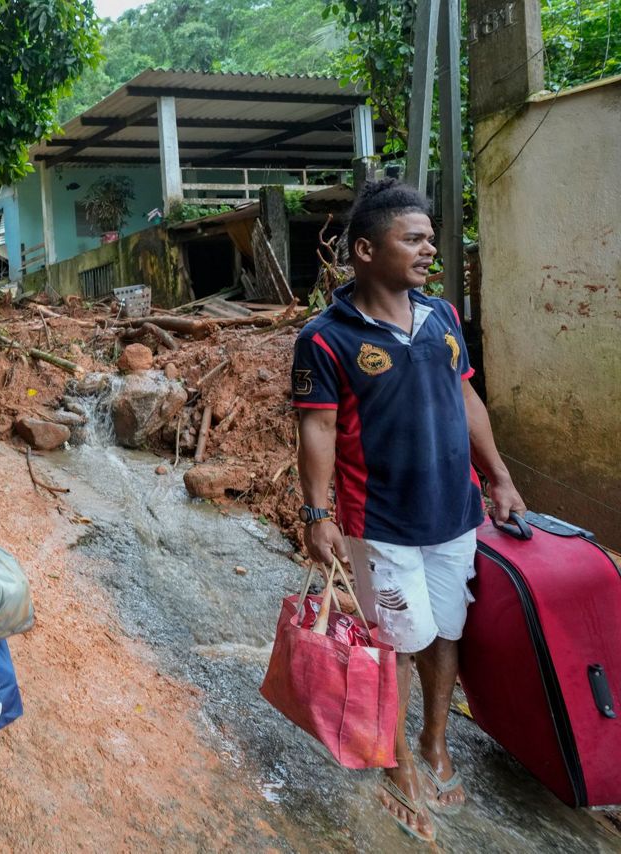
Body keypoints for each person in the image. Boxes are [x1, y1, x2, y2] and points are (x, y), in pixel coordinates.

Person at [292, 179, 524, 843]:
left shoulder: (444, 317)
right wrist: (317, 515)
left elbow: (468, 401)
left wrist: (499, 477)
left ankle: (433, 740)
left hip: (456, 515)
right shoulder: (326, 339)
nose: (429, 250)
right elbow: (317, 429)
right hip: (378, 529)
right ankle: (394, 762)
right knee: (395, 643)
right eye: (413, 238)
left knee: (445, 633)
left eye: (430, 238)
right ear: (366, 250)